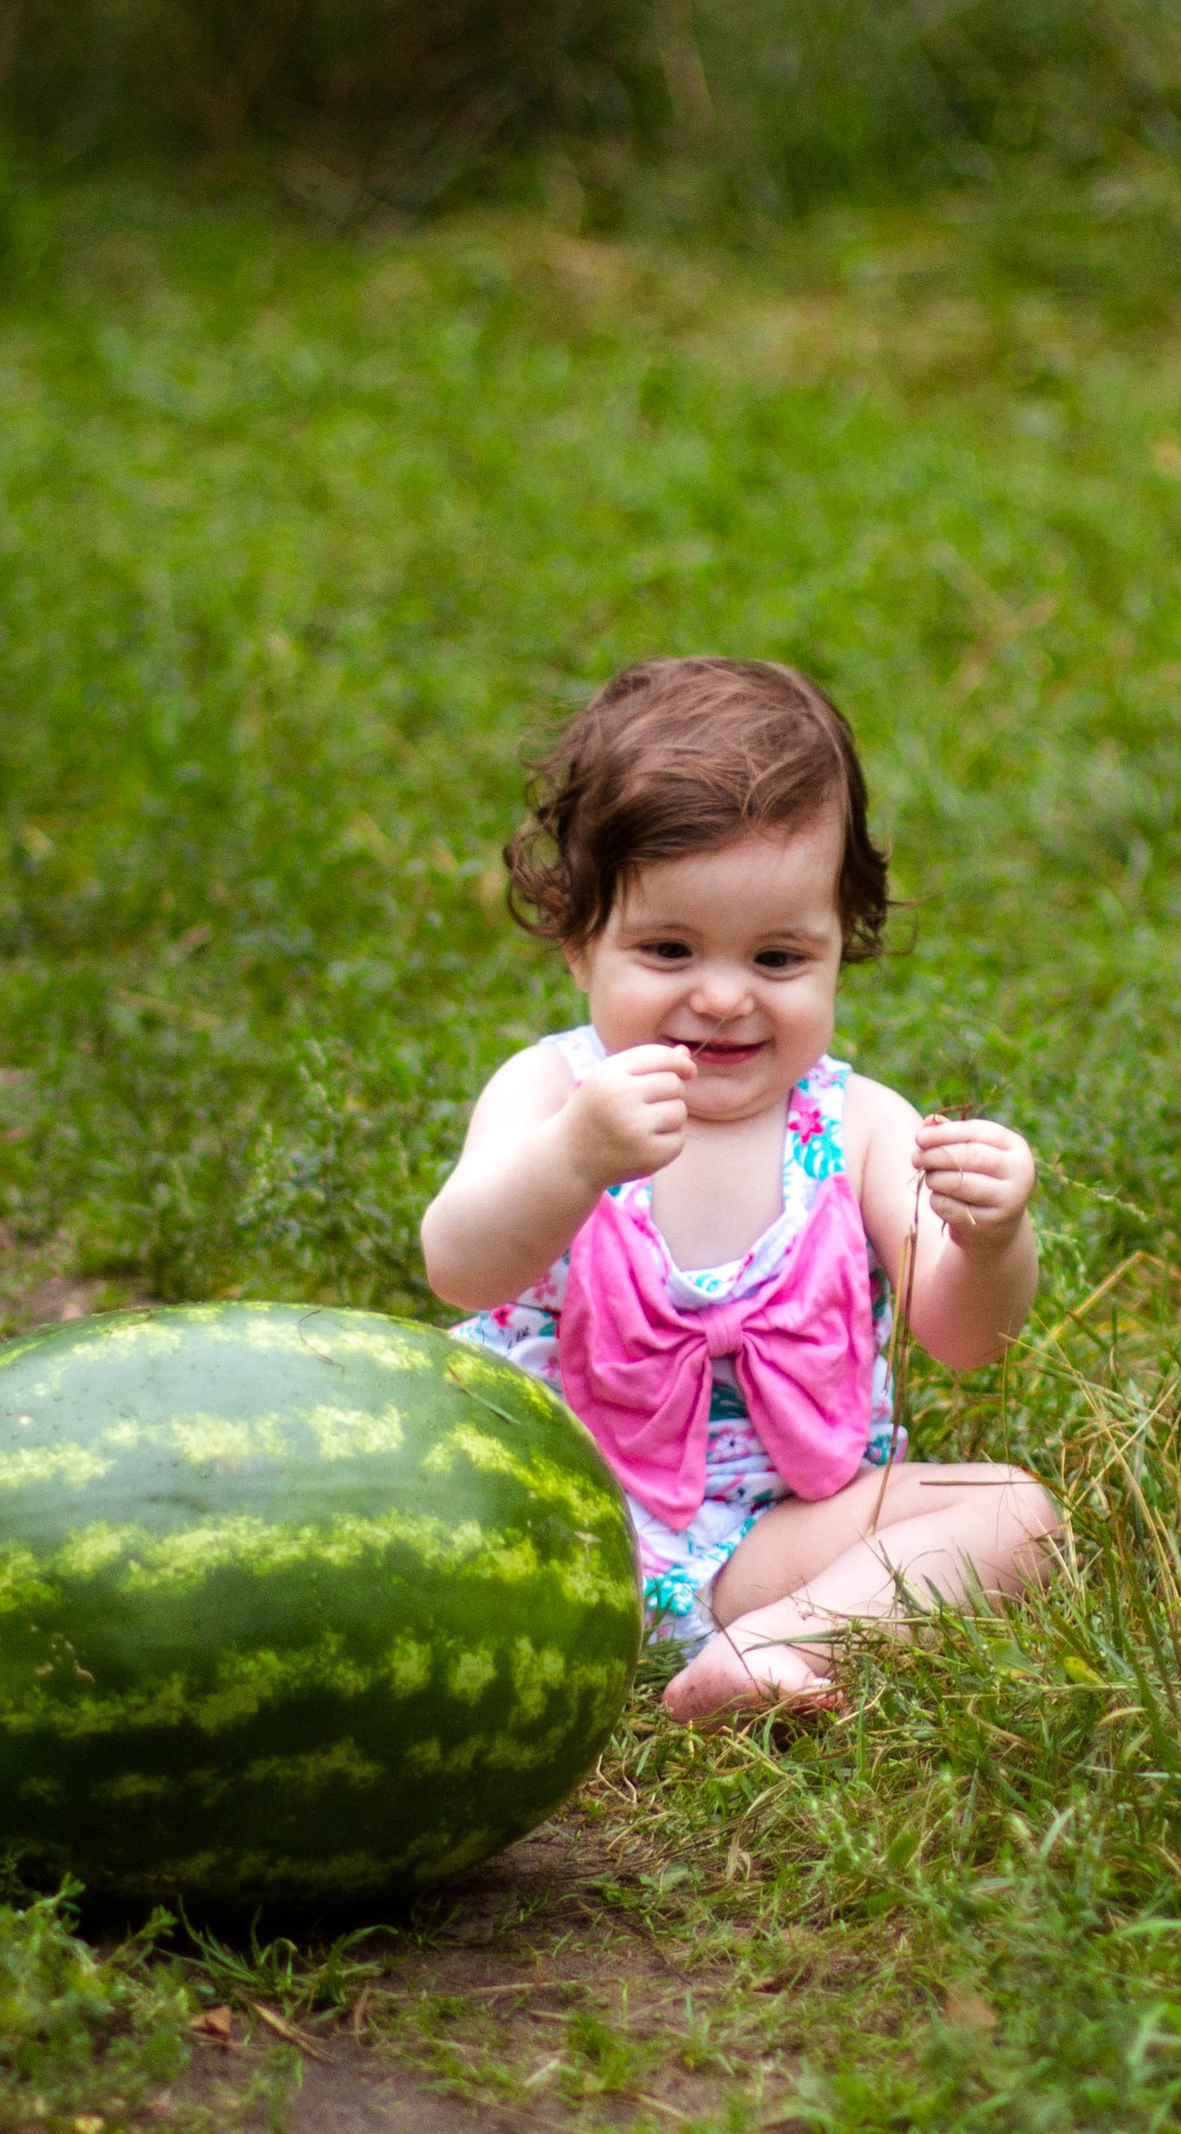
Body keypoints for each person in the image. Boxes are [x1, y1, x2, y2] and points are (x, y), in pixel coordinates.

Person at [420, 657, 1061, 1726]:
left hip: (769, 1542)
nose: (721, 997)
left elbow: (962, 1341)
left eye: (776, 957)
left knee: (1015, 1514)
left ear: (838, 952)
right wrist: (572, 1158)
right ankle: (645, 1640)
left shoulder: (857, 1126)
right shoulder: (551, 1090)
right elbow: (459, 1264)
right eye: (668, 949)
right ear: (581, 945)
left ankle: (763, 1651)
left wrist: (991, 1241)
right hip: (548, 1522)